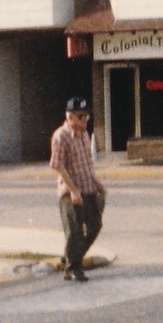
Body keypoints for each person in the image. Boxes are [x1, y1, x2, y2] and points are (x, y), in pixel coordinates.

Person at [50, 96, 106, 282]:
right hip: (70, 192)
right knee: (74, 231)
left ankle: (70, 257)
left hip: (88, 188)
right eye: (81, 116)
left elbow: (87, 163)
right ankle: (73, 268)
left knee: (95, 226)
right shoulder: (61, 136)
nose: (85, 120)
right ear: (70, 116)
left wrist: (97, 183)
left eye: (87, 116)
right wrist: (73, 191)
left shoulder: (84, 135)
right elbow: (57, 165)